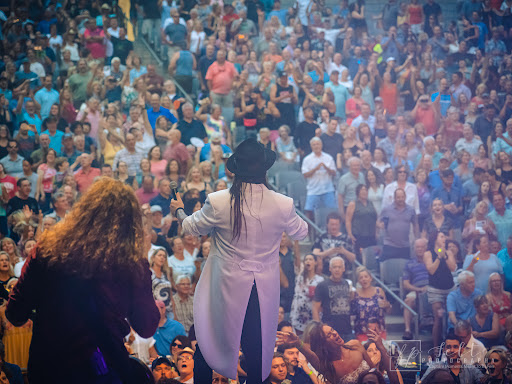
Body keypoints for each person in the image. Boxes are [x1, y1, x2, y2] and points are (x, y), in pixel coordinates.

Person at [170, 138, 308, 383]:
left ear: (236, 170)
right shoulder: (282, 204)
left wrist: (179, 210)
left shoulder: (219, 200)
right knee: (256, 349)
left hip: (225, 288)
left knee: (208, 341)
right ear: (264, 169)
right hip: (262, 289)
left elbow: (191, 227)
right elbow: (302, 232)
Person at [5, 178, 160, 383]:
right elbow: (146, 325)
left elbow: (15, 313)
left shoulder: (47, 248)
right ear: (129, 222)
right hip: (103, 368)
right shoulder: (131, 262)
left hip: (48, 367)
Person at [276, 325, 399, 384]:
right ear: (323, 344)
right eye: (329, 335)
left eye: (333, 330)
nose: (334, 334)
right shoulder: (327, 366)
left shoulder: (355, 345)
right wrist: (298, 343)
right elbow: (311, 356)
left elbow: (375, 373)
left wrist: (381, 347)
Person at [424, 230, 457, 348]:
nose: (444, 238)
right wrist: (439, 257)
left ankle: (451, 345)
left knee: (451, 317)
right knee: (437, 318)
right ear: (435, 238)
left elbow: (453, 268)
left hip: (450, 288)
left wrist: (445, 255)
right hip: (435, 291)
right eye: (442, 236)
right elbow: (431, 270)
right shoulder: (428, 253)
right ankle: (436, 347)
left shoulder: (449, 252)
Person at [312, 257, 353, 340]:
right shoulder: (322, 285)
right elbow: (315, 308)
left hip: (347, 330)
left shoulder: (347, 283)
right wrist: (320, 329)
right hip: (329, 330)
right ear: (330, 269)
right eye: (334, 267)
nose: (337, 269)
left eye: (339, 267)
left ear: (343, 269)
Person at [301, 137, 337, 224]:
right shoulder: (307, 159)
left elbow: (334, 173)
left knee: (332, 212)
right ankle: (308, 233)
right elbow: (305, 175)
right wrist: (316, 168)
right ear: (311, 146)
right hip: (313, 190)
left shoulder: (328, 157)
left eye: (318, 144)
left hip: (328, 189)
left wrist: (326, 167)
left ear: (321, 145)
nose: (316, 146)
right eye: (314, 144)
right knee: (309, 211)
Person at [351, 266, 390, 342]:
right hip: (362, 333)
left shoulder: (379, 291)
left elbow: (388, 311)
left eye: (366, 276)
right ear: (358, 281)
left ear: (371, 278)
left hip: (379, 332)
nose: (364, 279)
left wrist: (387, 305)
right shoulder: (354, 294)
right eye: (361, 277)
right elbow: (352, 314)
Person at [379, 189, 419, 261]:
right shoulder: (386, 209)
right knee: (387, 268)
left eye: (402, 197)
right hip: (390, 245)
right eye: (398, 197)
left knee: (404, 270)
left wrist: (416, 239)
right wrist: (380, 225)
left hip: (405, 246)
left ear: (405, 197)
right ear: (394, 198)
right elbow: (378, 221)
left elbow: (415, 224)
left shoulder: (411, 210)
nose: (400, 199)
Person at [402, 238, 430, 340]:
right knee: (408, 300)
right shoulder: (409, 264)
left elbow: (440, 250)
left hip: (432, 290)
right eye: (417, 247)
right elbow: (405, 284)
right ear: (414, 249)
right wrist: (419, 289)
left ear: (426, 248)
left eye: (422, 247)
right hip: (416, 290)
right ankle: (408, 330)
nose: (420, 249)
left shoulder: (431, 260)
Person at [345, 184, 377, 260]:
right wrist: (349, 233)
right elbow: (348, 220)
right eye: (362, 190)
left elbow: (375, 218)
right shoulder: (353, 204)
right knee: (360, 258)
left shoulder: (371, 203)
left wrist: (377, 232)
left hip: (371, 235)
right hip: (358, 235)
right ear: (358, 192)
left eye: (365, 190)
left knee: (371, 257)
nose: (364, 192)